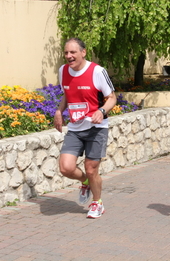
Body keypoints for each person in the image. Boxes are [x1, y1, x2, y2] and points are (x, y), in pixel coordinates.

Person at [54, 37, 117, 219]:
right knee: (66, 167)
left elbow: (112, 97)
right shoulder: (63, 71)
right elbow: (67, 93)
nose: (69, 56)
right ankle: (85, 182)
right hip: (75, 127)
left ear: (83, 52)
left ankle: (97, 203)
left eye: (73, 52)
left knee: (91, 168)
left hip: (96, 127)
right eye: (66, 52)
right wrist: (59, 111)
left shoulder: (97, 71)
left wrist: (102, 111)